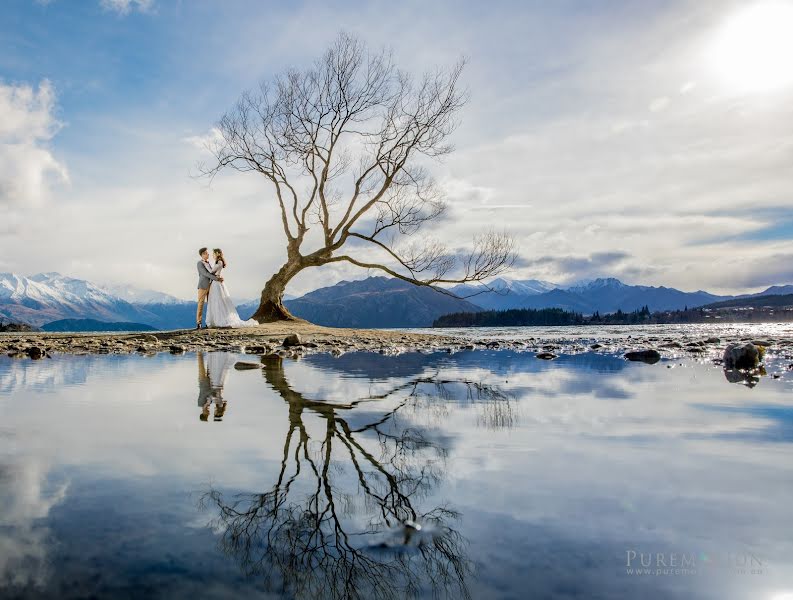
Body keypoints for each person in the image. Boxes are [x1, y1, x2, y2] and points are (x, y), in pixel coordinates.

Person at [205, 248, 258, 328]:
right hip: (216, 282)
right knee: (217, 300)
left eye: (213, 254)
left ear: (217, 254)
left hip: (216, 283)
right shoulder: (219, 262)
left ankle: (220, 319)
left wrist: (206, 265)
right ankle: (216, 319)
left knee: (218, 300)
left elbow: (211, 271)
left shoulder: (219, 262)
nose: (213, 255)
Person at [196, 247, 223, 329]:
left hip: (211, 286)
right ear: (203, 254)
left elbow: (212, 273)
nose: (208, 254)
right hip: (203, 286)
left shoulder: (208, 263)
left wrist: (219, 277)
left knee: (211, 304)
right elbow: (205, 273)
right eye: (207, 253)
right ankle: (199, 322)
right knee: (201, 304)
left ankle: (210, 321)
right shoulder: (199, 263)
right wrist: (217, 279)